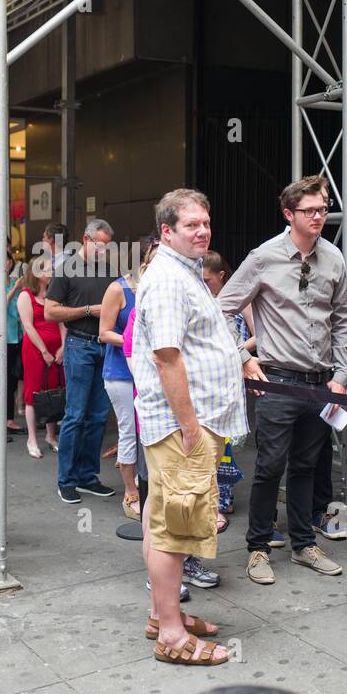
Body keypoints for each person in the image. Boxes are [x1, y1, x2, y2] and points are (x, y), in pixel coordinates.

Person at [218, 175, 347, 585]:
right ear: (288, 214)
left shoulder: (334, 258)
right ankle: (258, 548)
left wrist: (343, 375)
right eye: (310, 210)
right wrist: (243, 356)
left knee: (308, 467)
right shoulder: (264, 257)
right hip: (277, 379)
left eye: (323, 209)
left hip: (321, 382)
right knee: (269, 465)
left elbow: (346, 319)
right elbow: (222, 308)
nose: (318, 217)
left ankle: (302, 544)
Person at [132, 189, 245, 666]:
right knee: (175, 532)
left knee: (163, 520)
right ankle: (173, 638)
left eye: (205, 222)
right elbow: (166, 356)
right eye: (191, 225)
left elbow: (193, 345)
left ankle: (165, 615)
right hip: (184, 428)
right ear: (166, 232)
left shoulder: (184, 272)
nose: (202, 231)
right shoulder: (167, 279)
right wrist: (189, 425)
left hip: (189, 424)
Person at [45, 218, 118, 503]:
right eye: (100, 245)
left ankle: (88, 476)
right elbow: (51, 312)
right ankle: (66, 480)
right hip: (79, 345)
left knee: (98, 416)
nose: (104, 250)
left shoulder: (109, 272)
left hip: (105, 347)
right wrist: (89, 310)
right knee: (75, 415)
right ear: (86, 241)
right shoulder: (66, 270)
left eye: (107, 246)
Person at [99, 235, 157, 522]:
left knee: (151, 430)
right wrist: (136, 341)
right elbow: (104, 332)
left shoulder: (161, 288)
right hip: (121, 372)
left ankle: (152, 488)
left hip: (153, 371)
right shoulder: (118, 288)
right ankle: (131, 491)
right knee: (129, 430)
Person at [201, 250, 253, 530]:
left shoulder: (236, 300)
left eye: (207, 280)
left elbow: (260, 335)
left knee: (225, 444)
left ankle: (223, 498)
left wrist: (235, 353)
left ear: (221, 277)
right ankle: (216, 499)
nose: (203, 284)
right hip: (208, 380)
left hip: (231, 378)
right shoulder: (201, 299)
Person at [18, 256, 63, 459]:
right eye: (48, 269)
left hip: (56, 349)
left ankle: (51, 436)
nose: (52, 271)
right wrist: (44, 351)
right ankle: (32, 439)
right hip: (36, 349)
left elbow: (62, 321)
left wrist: (63, 346)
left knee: (53, 390)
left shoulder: (54, 294)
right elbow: (28, 326)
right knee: (33, 392)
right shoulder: (26, 295)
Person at [3, 253, 26, 435]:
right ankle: (1, 420)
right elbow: (1, 304)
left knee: (13, 379)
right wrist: (15, 288)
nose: (6, 262)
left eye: (8, 260)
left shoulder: (14, 282)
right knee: (3, 379)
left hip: (16, 336)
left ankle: (9, 420)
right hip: (2, 336)